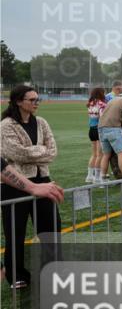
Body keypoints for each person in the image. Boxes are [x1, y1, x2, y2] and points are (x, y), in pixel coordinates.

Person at [1, 85, 62, 288]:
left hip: (43, 180)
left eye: (38, 99)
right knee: (15, 232)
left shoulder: (42, 122)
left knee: (51, 227)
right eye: (32, 100)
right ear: (19, 101)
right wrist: (39, 151)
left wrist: (32, 152)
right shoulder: (6, 126)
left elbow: (52, 152)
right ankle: (16, 275)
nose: (36, 103)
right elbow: (16, 153)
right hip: (13, 184)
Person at [85, 87, 107, 183]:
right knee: (100, 155)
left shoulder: (90, 103)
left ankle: (89, 176)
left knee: (94, 155)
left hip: (91, 129)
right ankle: (97, 178)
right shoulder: (102, 104)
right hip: (99, 130)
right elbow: (102, 118)